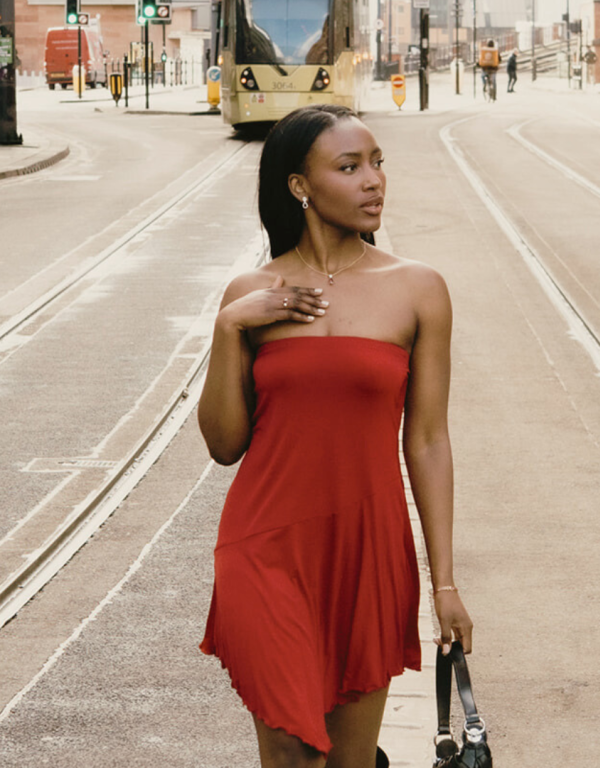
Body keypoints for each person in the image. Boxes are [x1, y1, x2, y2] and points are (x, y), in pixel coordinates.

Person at [198, 104, 473, 768]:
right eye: (349, 167)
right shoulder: (251, 294)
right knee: (292, 752)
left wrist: (444, 584)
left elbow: (429, 441)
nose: (373, 180)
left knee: (346, 763)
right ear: (300, 186)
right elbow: (224, 444)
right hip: (263, 546)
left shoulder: (417, 289)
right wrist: (228, 328)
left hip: (366, 547)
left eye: (377, 163)